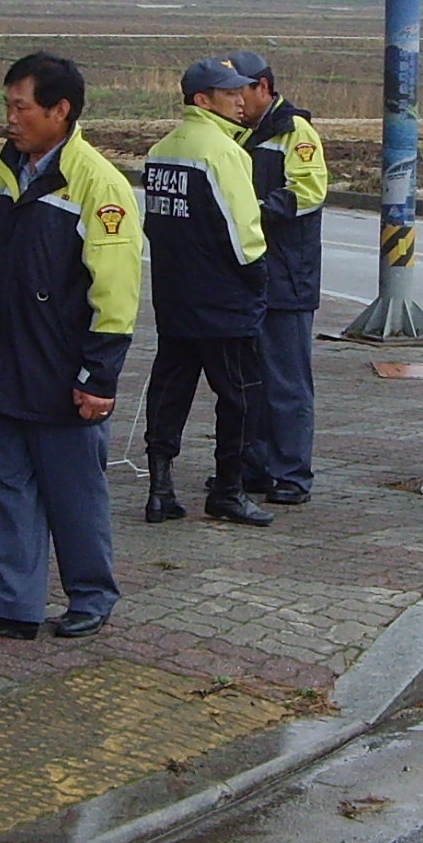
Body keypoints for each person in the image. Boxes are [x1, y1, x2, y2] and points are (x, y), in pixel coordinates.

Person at [0, 51, 142, 641]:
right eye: (6, 105)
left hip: (62, 370)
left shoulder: (97, 183)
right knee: (8, 487)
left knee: (74, 493)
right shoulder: (5, 170)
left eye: (21, 107)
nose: (10, 118)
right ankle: (12, 604)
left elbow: (116, 290)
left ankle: (91, 597)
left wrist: (98, 377)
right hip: (7, 361)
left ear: (61, 111)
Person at [138, 56, 271, 527]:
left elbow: (156, 225)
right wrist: (258, 281)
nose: (240, 100)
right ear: (202, 100)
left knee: (169, 392)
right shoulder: (223, 153)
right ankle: (228, 492)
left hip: (175, 296)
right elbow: (243, 233)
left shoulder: (160, 151)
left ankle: (160, 490)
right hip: (223, 301)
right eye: (229, 93)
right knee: (240, 397)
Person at [225, 50, 329, 505]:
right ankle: (256, 469)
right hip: (252, 275)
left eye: (240, 92)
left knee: (286, 383)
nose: (235, 101)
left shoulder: (295, 132)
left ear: (263, 88)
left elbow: (309, 192)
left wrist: (252, 212)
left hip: (287, 278)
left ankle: (292, 474)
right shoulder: (237, 132)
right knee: (251, 380)